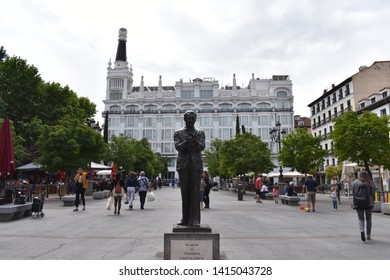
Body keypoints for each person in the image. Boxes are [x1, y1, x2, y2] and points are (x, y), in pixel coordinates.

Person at [174, 110, 206, 227]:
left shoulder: (200, 133)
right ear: (184, 119)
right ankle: (185, 218)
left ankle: (195, 220)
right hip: (183, 165)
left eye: (193, 118)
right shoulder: (178, 133)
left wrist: (195, 141)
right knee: (185, 192)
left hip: (196, 165)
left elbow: (201, 147)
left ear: (195, 120)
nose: (190, 120)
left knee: (195, 192)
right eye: (188, 118)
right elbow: (178, 147)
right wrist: (187, 141)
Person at [352, 171, 375, 242]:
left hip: (358, 202)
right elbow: (373, 193)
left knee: (361, 218)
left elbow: (353, 192)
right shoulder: (370, 183)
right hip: (369, 203)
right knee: (369, 219)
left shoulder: (355, 183)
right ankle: (368, 235)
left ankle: (362, 231)